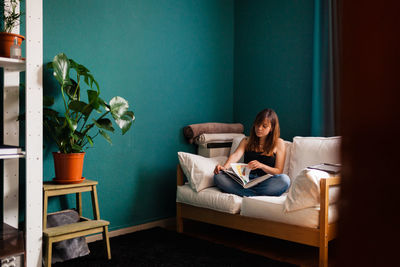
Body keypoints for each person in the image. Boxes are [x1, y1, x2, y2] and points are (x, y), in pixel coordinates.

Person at [213, 108, 290, 197]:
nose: (259, 128)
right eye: (257, 124)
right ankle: (255, 195)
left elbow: (278, 171)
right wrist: (224, 168)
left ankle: (246, 194)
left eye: (264, 126)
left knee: (284, 180)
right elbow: (235, 155)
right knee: (218, 176)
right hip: (245, 180)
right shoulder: (246, 141)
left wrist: (262, 166)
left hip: (265, 182)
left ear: (271, 128)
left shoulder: (279, 143)